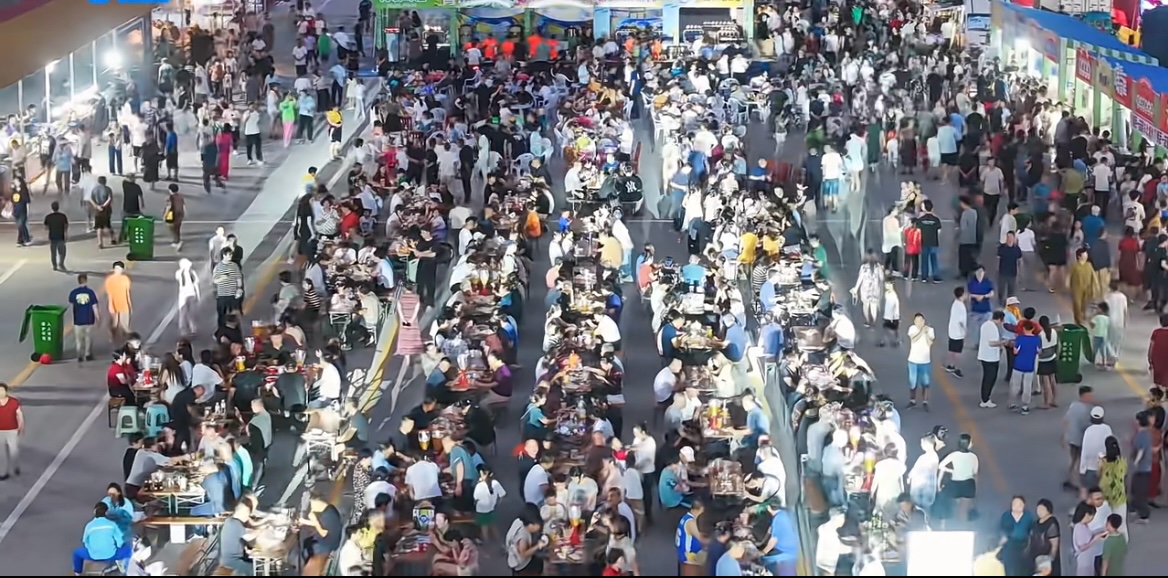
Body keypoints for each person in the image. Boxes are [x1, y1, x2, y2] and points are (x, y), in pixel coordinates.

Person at [72, 502, 132, 575]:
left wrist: (92, 549)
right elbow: (120, 541)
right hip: (111, 555)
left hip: (93, 555)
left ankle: (78, 572)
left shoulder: (89, 526)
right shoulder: (112, 524)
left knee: (77, 553)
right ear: (106, 512)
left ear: (94, 512)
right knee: (129, 550)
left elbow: (85, 541)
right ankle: (124, 568)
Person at [906, 312, 934, 409]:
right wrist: (922, 331)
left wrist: (926, 333)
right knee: (913, 382)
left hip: (925, 361)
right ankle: (912, 400)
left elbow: (930, 343)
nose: (919, 323)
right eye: (917, 321)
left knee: (925, 383)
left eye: (921, 321)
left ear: (924, 321)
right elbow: (913, 339)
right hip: (913, 360)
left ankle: (925, 401)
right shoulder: (912, 329)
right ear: (914, 322)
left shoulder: (930, 330)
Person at [69, 274, 100, 362]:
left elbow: (72, 305)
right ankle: (87, 354)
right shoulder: (91, 292)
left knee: (79, 339)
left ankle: (79, 354)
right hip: (89, 319)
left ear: (78, 281)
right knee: (88, 338)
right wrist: (98, 318)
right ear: (86, 281)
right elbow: (95, 307)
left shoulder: (73, 293)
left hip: (78, 320)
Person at [1070, 502, 1104, 577]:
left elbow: (1088, 535)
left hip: (1088, 560)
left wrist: (1099, 532)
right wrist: (1095, 539)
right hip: (1084, 561)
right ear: (1086, 514)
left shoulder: (1083, 526)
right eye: (1092, 516)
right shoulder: (1080, 528)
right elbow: (1082, 547)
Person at [103, 261, 133, 344]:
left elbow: (127, 293)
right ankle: (113, 338)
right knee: (114, 325)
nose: (117, 270)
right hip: (114, 305)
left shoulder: (125, 279)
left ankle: (127, 340)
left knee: (125, 325)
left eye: (119, 269)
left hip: (124, 305)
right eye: (116, 268)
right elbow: (109, 294)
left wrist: (129, 305)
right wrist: (110, 305)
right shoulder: (109, 280)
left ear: (122, 270)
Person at [0, 383, 22, 479]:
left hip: (12, 430)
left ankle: (15, 465)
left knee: (14, 450)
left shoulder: (13, 402)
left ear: (6, 391)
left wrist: (21, 426)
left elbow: (19, 414)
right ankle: (3, 472)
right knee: (1, 453)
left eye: (2, 390)